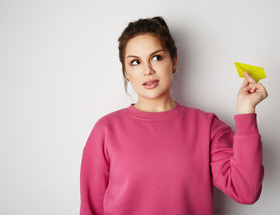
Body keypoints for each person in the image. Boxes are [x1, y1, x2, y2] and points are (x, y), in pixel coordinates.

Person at [80, 16, 268, 215]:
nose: (148, 70)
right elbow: (91, 208)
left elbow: (246, 192)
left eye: (157, 57)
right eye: (135, 62)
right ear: (126, 72)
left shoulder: (207, 127)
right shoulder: (106, 130)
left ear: (174, 62)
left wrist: (246, 112)